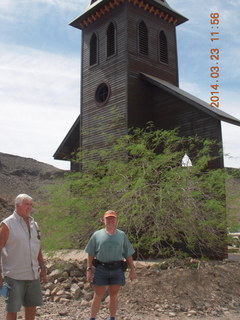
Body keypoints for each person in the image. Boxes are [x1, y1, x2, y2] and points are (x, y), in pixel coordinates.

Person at [0, 194, 47, 320]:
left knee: (32, 308)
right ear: (17, 205)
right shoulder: (7, 225)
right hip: (14, 276)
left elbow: (37, 247)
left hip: (33, 275)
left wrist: (42, 267)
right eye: (27, 204)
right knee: (12, 309)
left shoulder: (34, 224)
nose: (29, 207)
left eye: (31, 205)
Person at [85, 210, 136, 320]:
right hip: (101, 268)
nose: (110, 221)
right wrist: (89, 269)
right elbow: (90, 253)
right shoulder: (97, 235)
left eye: (112, 218)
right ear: (103, 220)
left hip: (117, 269)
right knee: (98, 295)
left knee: (113, 295)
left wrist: (132, 269)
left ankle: (112, 317)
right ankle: (92, 318)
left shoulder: (122, 235)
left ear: (116, 220)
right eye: (108, 218)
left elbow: (128, 253)